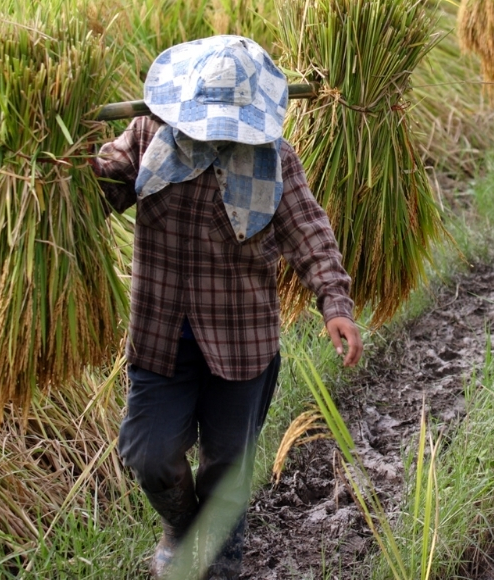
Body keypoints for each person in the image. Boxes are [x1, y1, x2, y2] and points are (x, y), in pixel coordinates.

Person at [92, 35, 364, 580]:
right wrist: (49, 163)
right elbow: (97, 189)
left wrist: (335, 301)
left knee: (226, 468)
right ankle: (185, 529)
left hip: (241, 347)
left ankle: (221, 558)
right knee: (147, 454)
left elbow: (310, 233)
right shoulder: (149, 135)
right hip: (161, 339)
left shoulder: (272, 158)